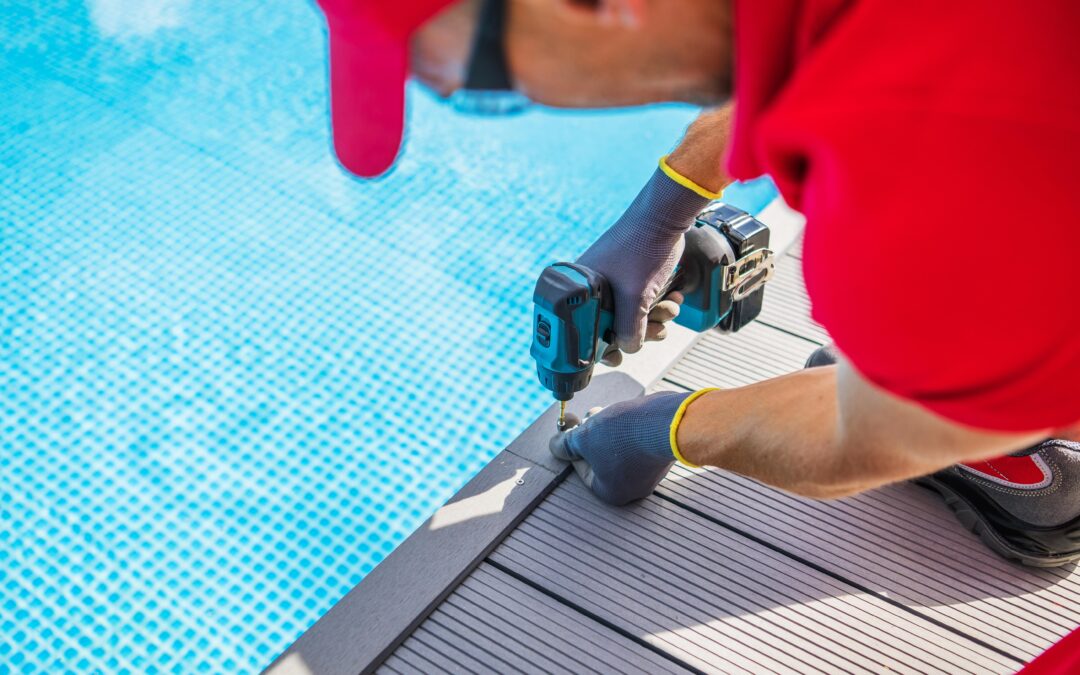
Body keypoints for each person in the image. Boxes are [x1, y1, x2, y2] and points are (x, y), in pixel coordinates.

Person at [313, 0, 1080, 567]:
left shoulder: (931, 216)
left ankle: (1029, 462)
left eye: (484, 91)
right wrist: (665, 205)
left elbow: (858, 437)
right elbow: (792, 35)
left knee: (921, 375)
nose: (525, 108)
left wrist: (659, 429)